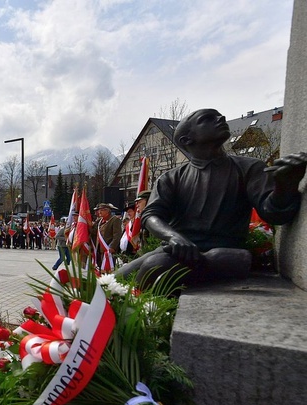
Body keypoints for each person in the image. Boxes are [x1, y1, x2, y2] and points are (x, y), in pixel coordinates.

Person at [116, 108, 306, 288]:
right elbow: (151, 215)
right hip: (178, 250)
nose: (221, 119)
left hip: (220, 249)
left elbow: (274, 214)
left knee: (154, 266)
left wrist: (285, 186)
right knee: (116, 278)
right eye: (207, 119)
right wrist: (174, 237)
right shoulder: (171, 178)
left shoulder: (248, 168)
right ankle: (221, 262)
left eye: (219, 115)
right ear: (187, 139)